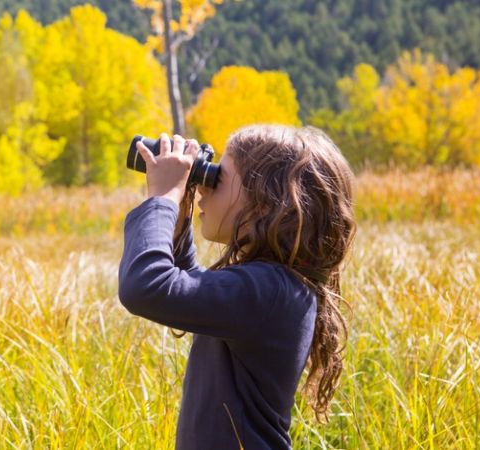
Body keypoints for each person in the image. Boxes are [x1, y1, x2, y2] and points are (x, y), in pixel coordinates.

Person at [118, 125, 357, 449]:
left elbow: (147, 287)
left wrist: (163, 198)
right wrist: (180, 212)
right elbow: (188, 288)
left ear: (265, 202)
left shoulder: (270, 290)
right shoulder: (274, 287)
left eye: (218, 177)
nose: (203, 189)